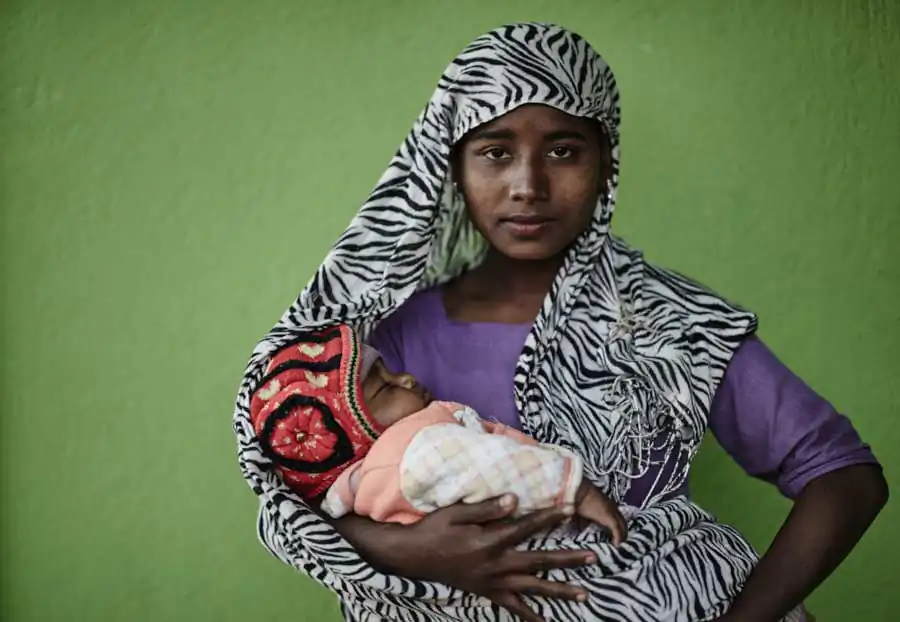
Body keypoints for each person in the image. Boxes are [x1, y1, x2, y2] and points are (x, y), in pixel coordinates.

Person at [234, 22, 887, 622]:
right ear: (451, 169)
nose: (528, 185)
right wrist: (401, 549)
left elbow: (845, 477)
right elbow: (291, 501)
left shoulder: (669, 320)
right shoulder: (382, 341)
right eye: (495, 152)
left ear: (606, 165)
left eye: (564, 151)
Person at [247, 323, 627, 543]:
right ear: (353, 436)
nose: (406, 378)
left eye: (390, 371)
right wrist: (575, 489)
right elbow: (493, 467)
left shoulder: (367, 485)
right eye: (385, 388)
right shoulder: (413, 451)